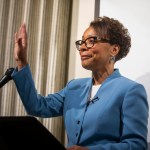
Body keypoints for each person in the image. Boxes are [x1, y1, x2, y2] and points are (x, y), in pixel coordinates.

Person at [12, 16, 149, 150]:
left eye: (91, 41)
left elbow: (136, 145)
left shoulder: (130, 90)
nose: (82, 48)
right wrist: (21, 61)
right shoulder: (74, 87)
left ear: (114, 49)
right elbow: (37, 107)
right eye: (82, 42)